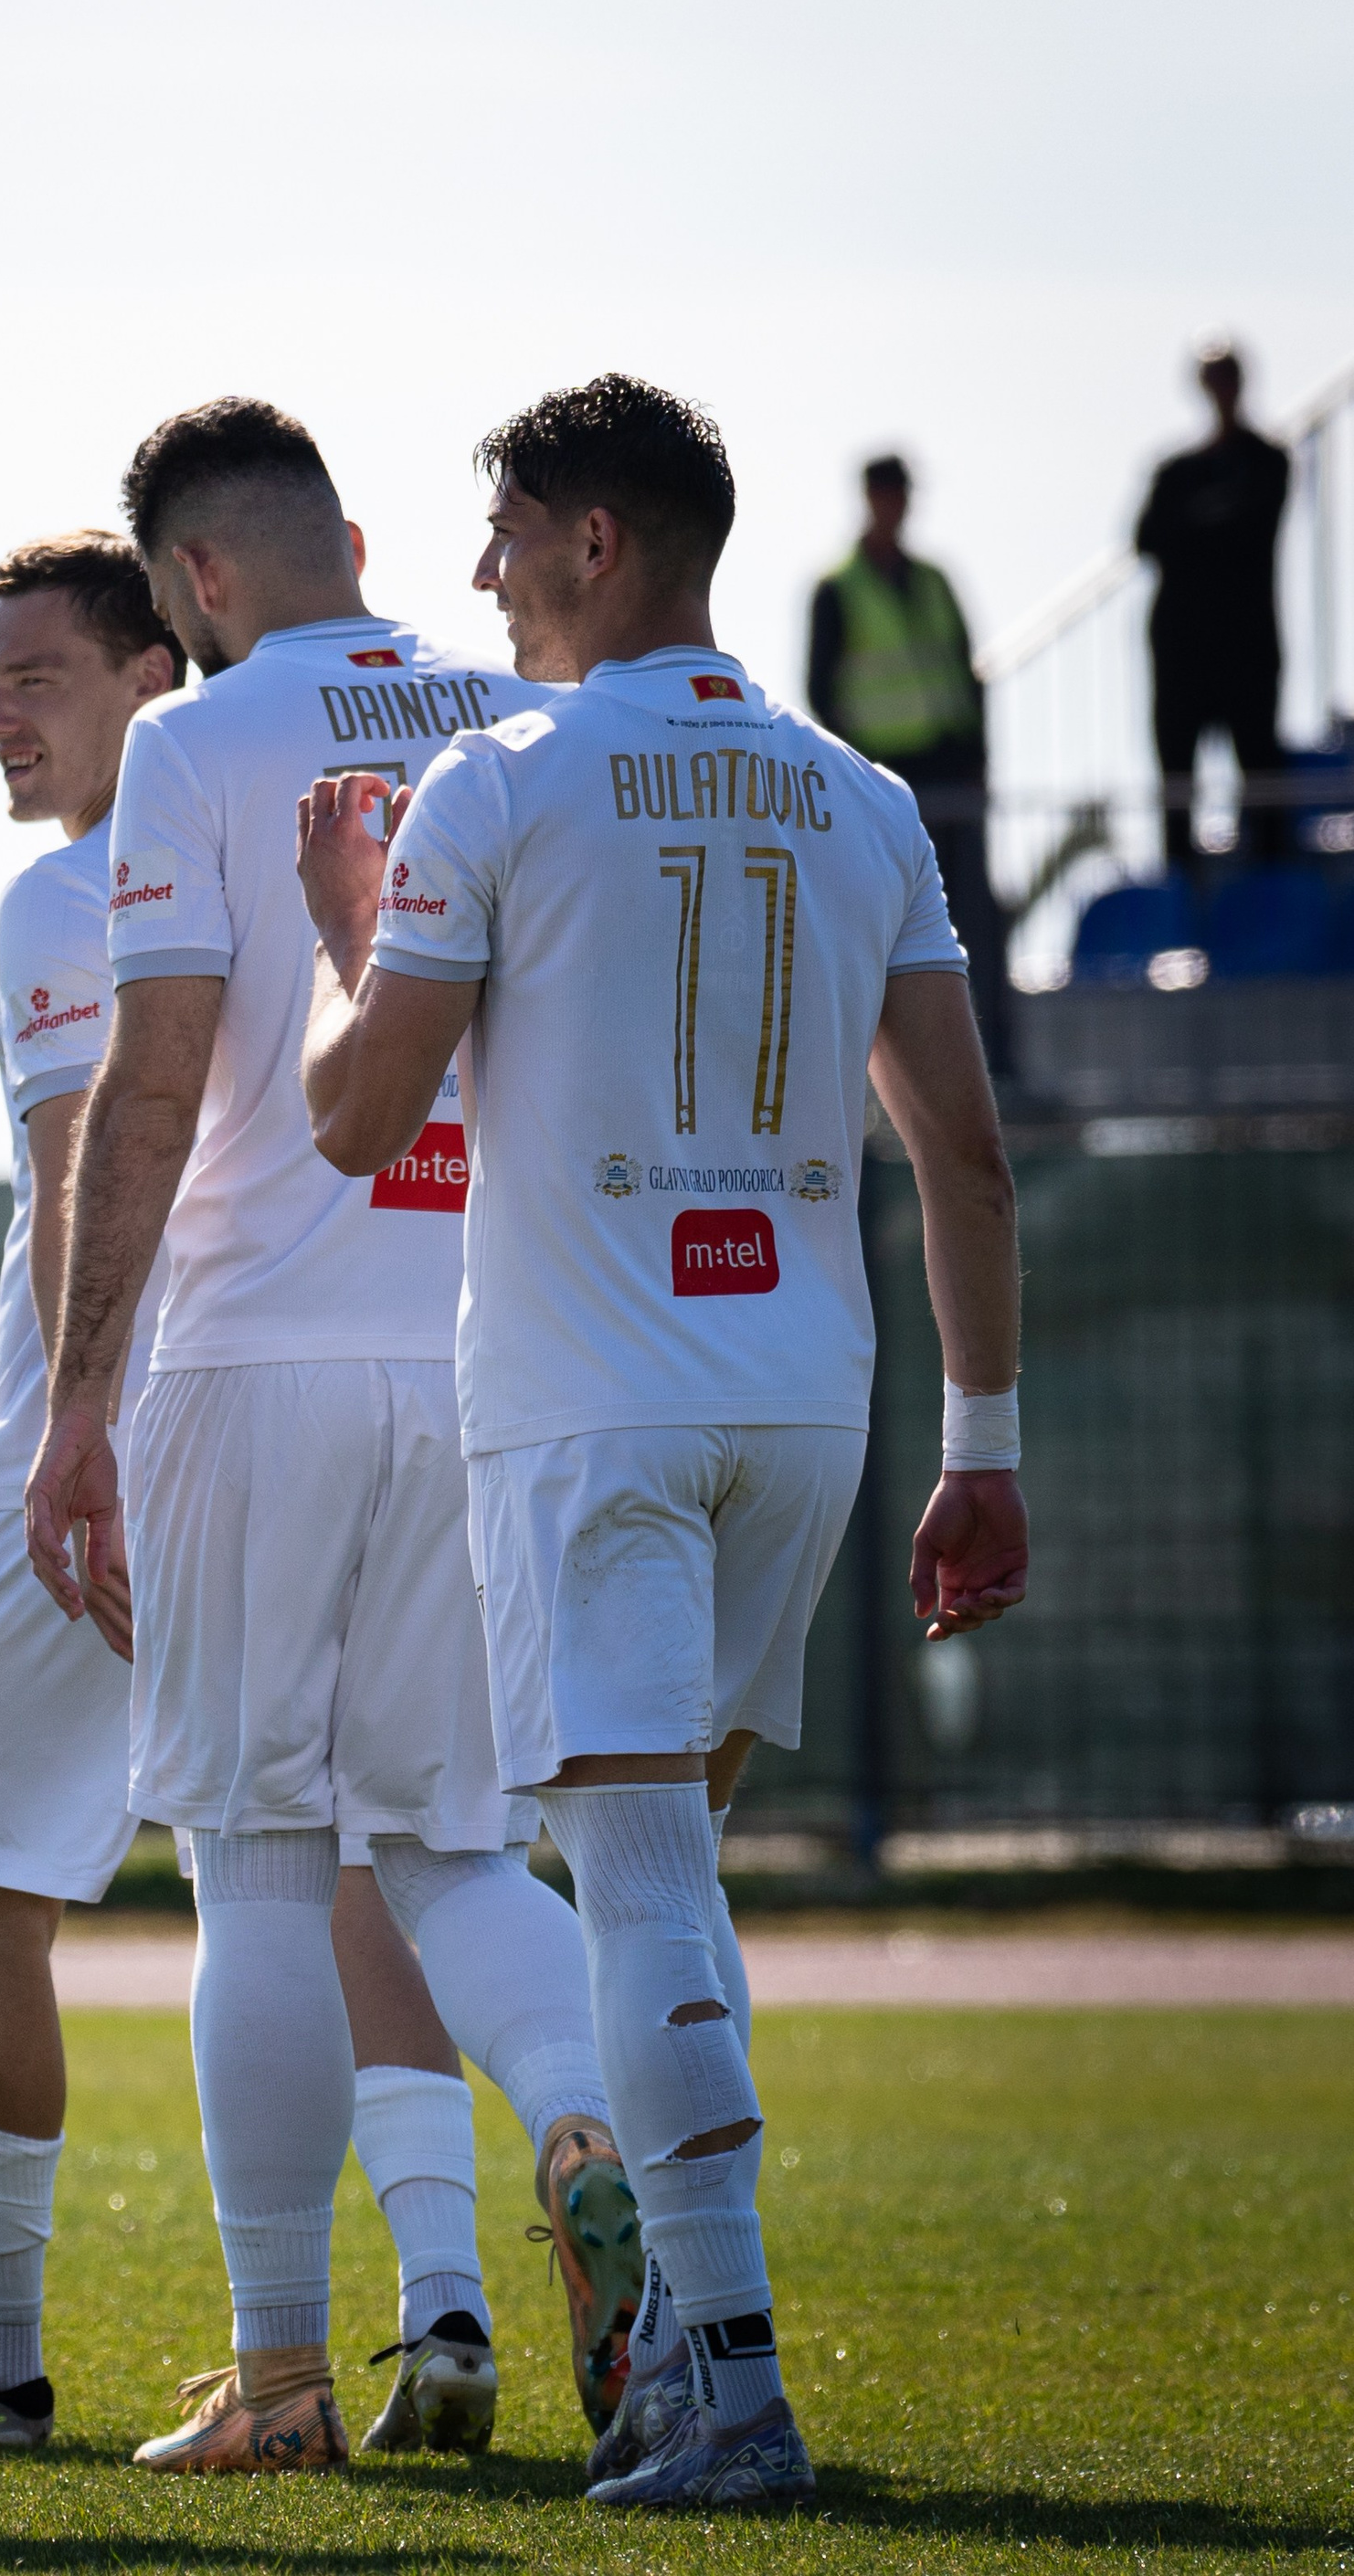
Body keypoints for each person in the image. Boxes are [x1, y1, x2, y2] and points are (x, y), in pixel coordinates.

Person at [297, 374, 1030, 2512]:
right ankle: (706, 2365)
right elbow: (962, 1161)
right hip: (802, 1401)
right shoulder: (856, 793)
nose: (478, 576)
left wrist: (354, 931)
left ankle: (727, 2384)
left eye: (505, 532)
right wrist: (977, 1442)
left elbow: (357, 1120)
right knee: (663, 1883)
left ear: (595, 541)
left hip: (589, 1405)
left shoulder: (492, 778)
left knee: (628, 1883)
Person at [0, 533, 520, 2460]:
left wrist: (82, 1430)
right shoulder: (400, 790)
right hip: (399, 1399)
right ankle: (437, 2301)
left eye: (29, 679)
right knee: (368, 1856)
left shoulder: (76, 883)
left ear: (155, 668)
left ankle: (1, 2356)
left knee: (0, 1891)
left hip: (127, 1452)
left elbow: (71, 1164)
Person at [26, 399, 635, 2476]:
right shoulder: (516, 705)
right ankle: (572, 2122)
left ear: (189, 583)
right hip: (484, 1351)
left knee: (253, 1867)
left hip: (256, 1355)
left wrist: (75, 1401)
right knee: (452, 1841)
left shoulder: (193, 744)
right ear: (351, 539)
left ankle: (279, 2380)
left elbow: (150, 1085)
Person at [809, 456, 1011, 1078]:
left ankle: (998, 1066)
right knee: (885, 935)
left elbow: (966, 674)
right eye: (888, 494)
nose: (896, 505)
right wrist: (857, 780)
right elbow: (824, 690)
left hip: (948, 780)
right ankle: (888, 1080)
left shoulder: (933, 580)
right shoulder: (838, 588)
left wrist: (980, 759)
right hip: (888, 785)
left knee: (976, 922)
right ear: (871, 498)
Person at [1134, 343, 1292, 870]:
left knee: (1262, 784)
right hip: (1183, 653)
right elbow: (1149, 539)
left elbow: (1245, 530)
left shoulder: (1267, 461)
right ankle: (1182, 900)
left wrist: (1194, 527)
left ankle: (1268, 903)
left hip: (1246, 651)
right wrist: (1208, 522)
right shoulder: (1175, 470)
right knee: (1178, 788)